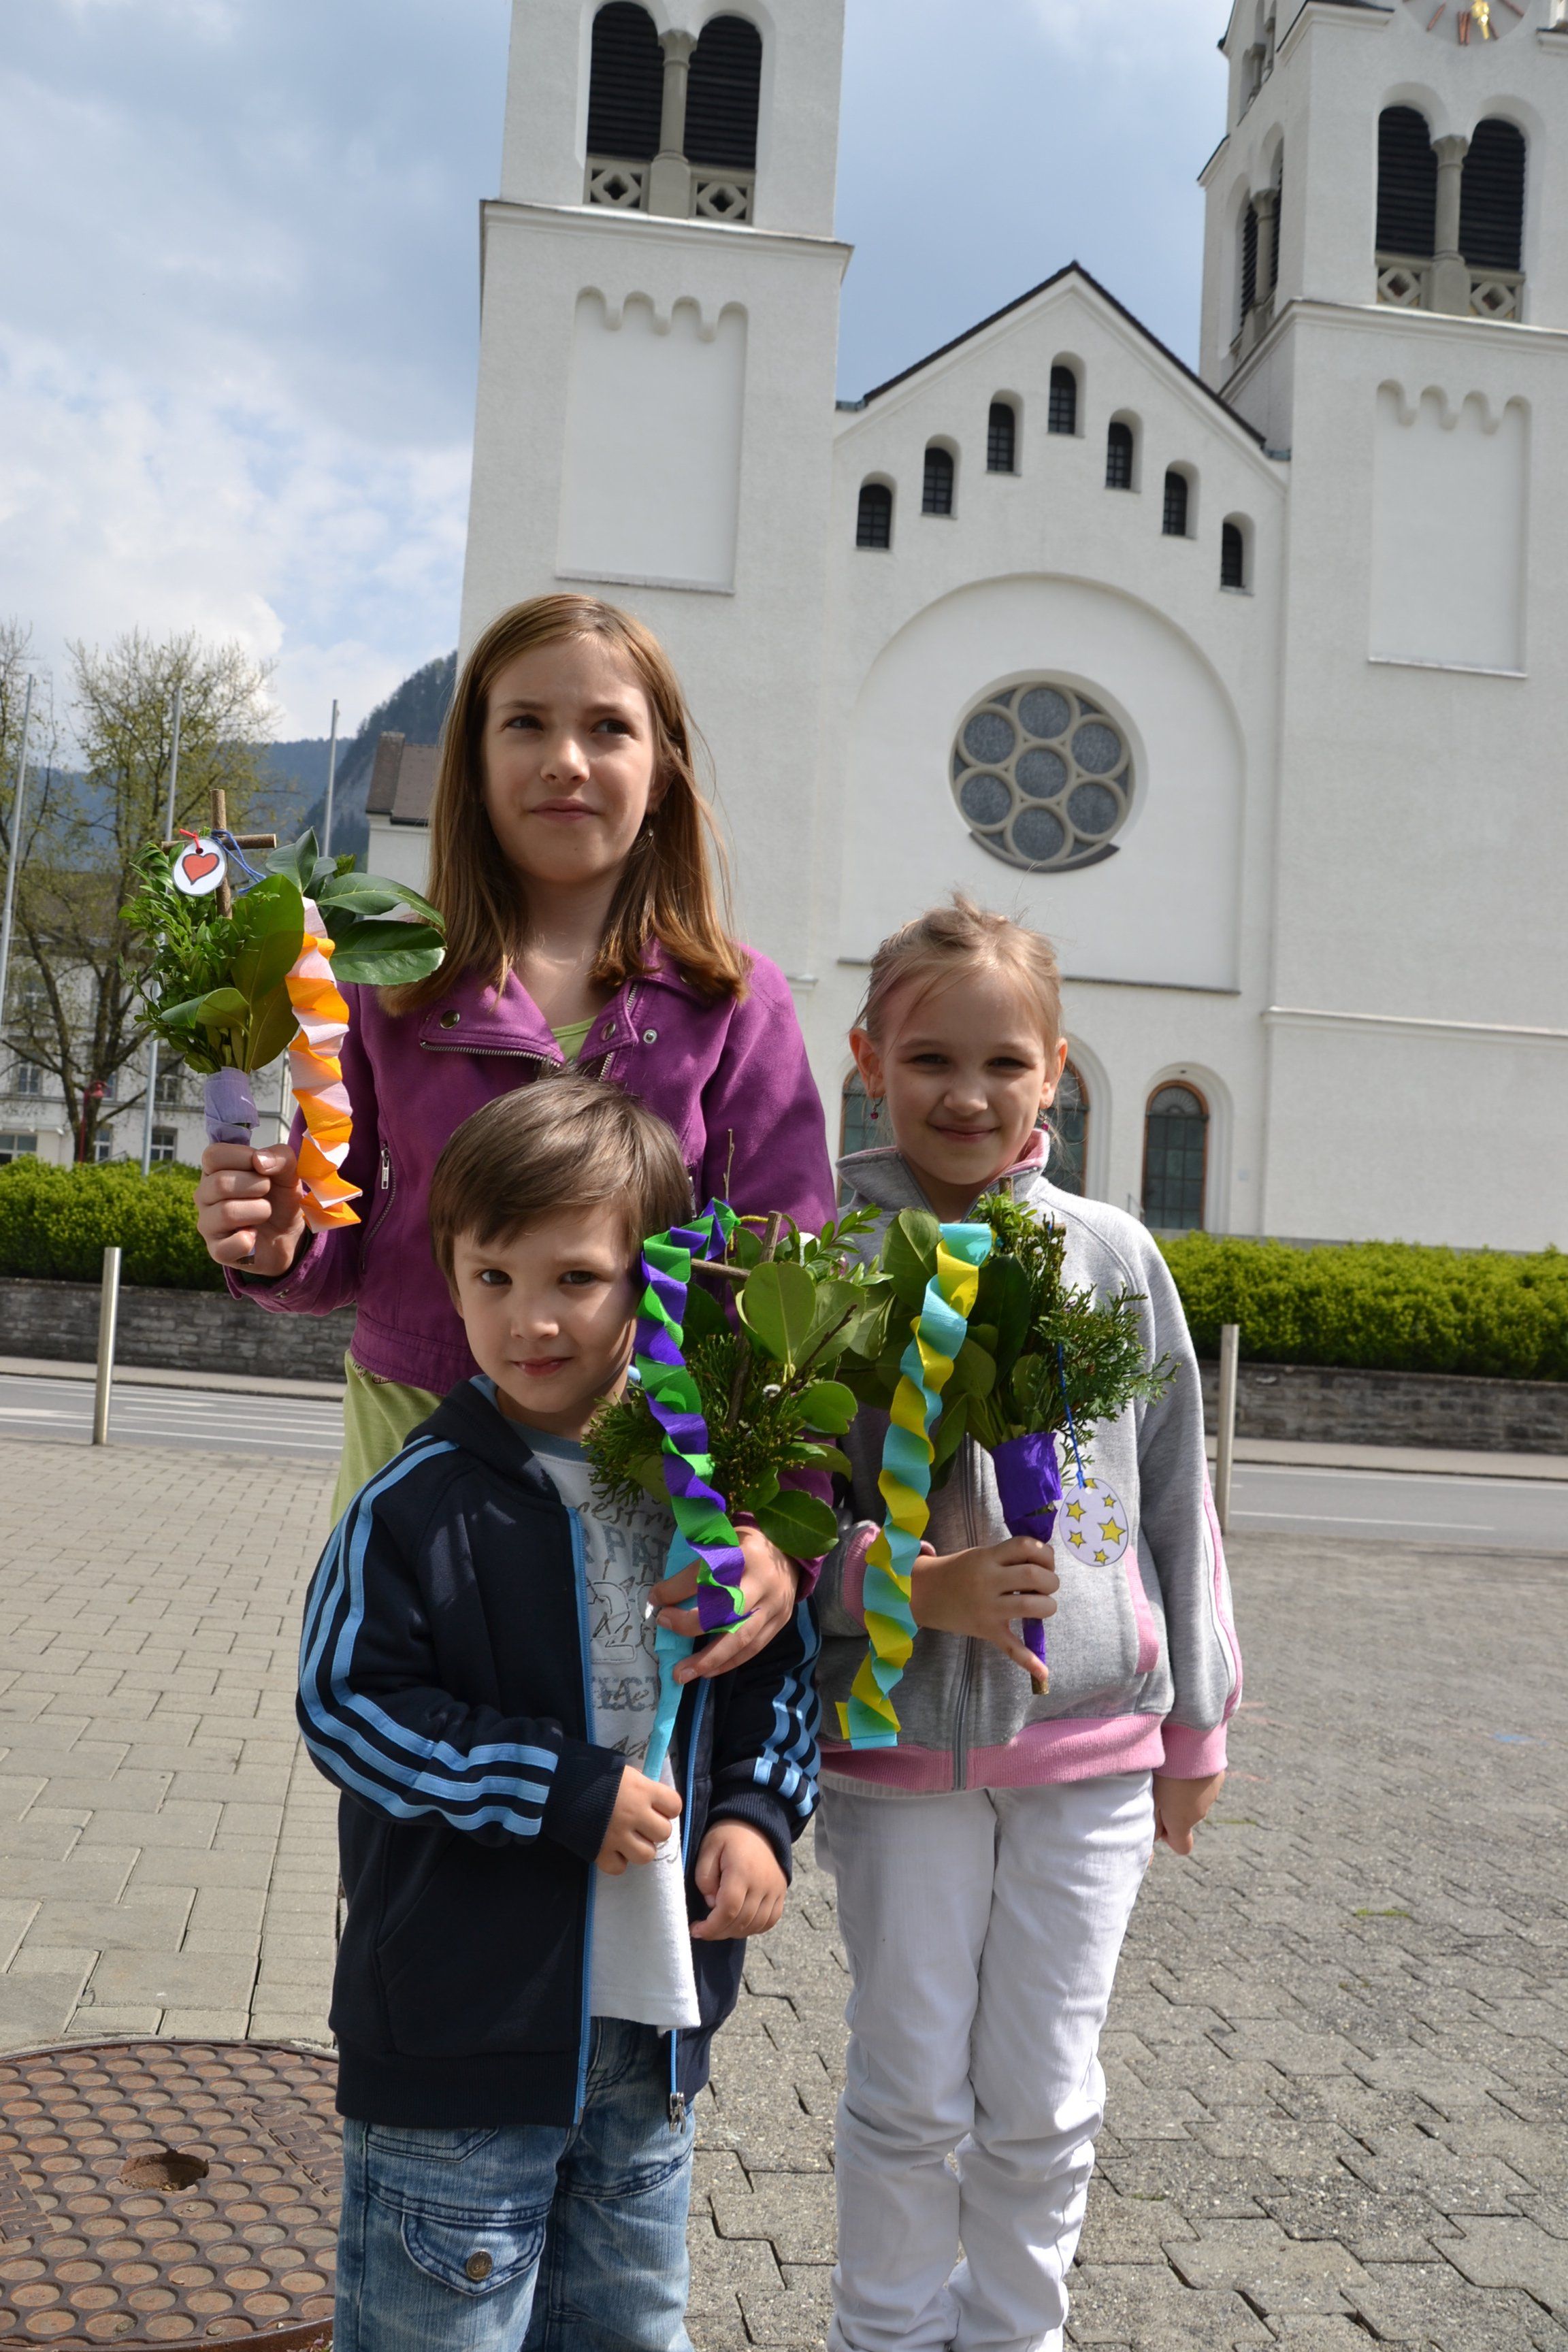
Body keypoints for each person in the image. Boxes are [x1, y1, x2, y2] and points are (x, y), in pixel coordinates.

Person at [195, 591, 834, 1676]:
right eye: (526, 723)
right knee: (409, 1755)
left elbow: (789, 1297)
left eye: (608, 727)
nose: (565, 761)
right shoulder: (387, 981)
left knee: (615, 1770)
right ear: (475, 764)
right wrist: (276, 1244)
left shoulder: (734, 1003)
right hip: (414, 1449)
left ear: (663, 770)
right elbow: (340, 1240)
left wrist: (783, 1531)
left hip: (646, 1474)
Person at [299, 1075, 819, 2352]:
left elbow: (773, 1671)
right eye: (493, 1276)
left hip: (651, 2033)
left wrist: (756, 1817)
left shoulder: (704, 1495)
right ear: (451, 1276)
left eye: (576, 1278)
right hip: (457, 2045)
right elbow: (348, 1706)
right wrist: (557, 1790)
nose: (529, 1319)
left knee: (629, 2329)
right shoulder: (416, 1502)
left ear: (652, 1280)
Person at [813, 896, 1242, 2352]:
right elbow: (774, 1512)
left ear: (1054, 1070)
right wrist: (900, 1586)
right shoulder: (823, 1253)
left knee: (1046, 2099)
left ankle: (1014, 2332)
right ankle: (882, 2332)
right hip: (901, 1749)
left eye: (1006, 1063)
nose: (968, 1094)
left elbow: (1177, 1498)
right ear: (869, 1059)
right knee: (908, 2090)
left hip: (1090, 1750)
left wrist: (1197, 1724)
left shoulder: (1112, 1257)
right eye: (931, 1058)